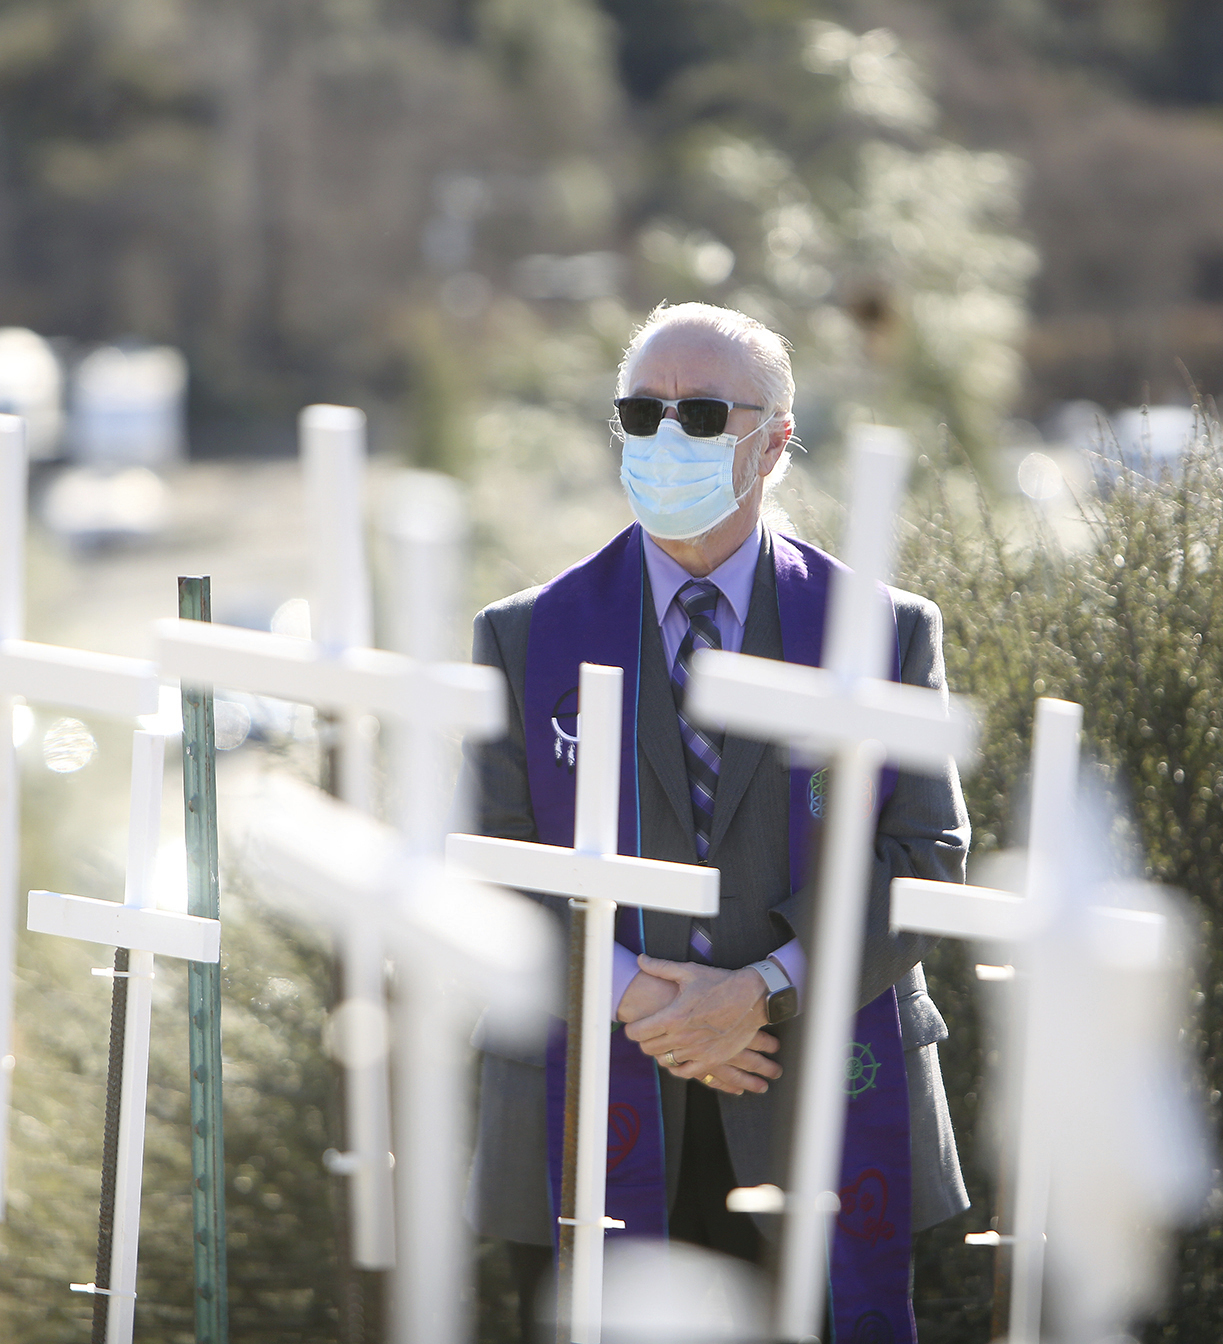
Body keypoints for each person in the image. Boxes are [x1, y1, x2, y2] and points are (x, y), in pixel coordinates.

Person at [461, 301, 969, 1341]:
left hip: (811, 1095)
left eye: (699, 414)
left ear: (775, 441)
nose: (664, 438)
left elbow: (925, 860)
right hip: (584, 1096)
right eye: (639, 414)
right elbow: (488, 864)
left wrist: (757, 992)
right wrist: (640, 999)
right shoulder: (525, 637)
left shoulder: (882, 633)